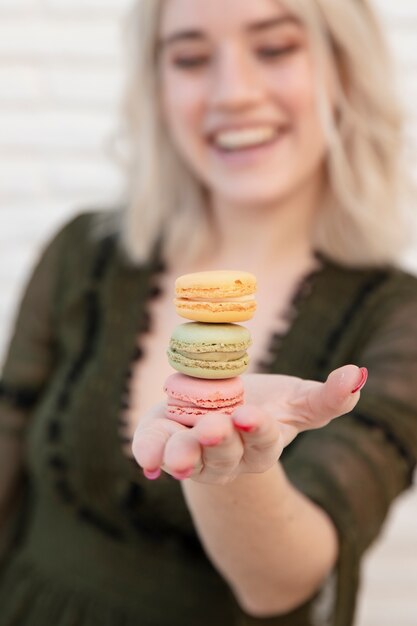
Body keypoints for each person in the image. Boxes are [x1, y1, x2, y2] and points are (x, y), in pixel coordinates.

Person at [0, 0, 416, 625]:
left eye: (274, 49)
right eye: (191, 58)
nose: (233, 93)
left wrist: (235, 466)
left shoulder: (396, 318)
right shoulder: (81, 255)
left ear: (345, 68)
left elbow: (286, 584)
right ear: (157, 84)